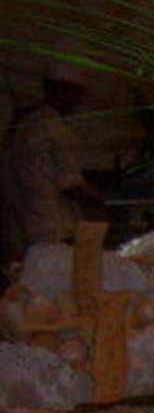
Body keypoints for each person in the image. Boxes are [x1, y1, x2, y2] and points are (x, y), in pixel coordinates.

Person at [1, 69, 101, 271]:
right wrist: (103, 203)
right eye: (77, 95)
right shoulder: (55, 129)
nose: (78, 102)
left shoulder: (23, 128)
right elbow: (72, 186)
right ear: (63, 91)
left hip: (26, 226)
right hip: (54, 228)